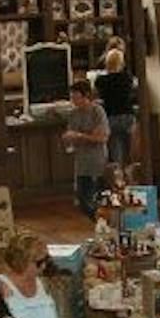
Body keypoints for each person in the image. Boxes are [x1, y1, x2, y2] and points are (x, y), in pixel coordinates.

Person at [62, 79, 110, 216]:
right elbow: (70, 136)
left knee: (97, 198)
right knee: (83, 200)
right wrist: (70, 139)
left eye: (76, 97)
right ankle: (98, 223)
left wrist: (79, 136)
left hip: (97, 160)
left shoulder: (97, 111)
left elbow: (102, 137)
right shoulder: (73, 114)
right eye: (72, 98)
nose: (74, 101)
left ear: (85, 96)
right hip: (81, 162)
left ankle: (102, 225)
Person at [95, 47, 138, 165]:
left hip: (111, 116)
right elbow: (133, 92)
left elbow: (99, 96)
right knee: (129, 151)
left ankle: (118, 178)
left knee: (115, 152)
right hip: (127, 114)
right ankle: (130, 175)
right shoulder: (127, 78)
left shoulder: (101, 81)